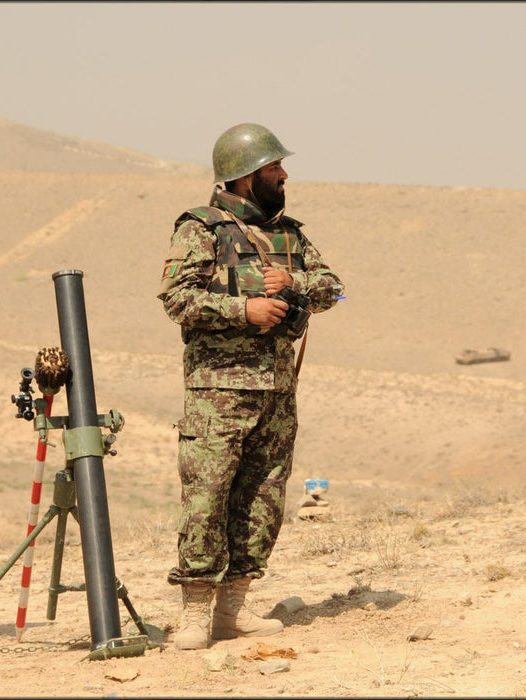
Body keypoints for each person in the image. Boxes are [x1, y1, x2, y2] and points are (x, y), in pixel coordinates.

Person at [157, 123, 344, 650]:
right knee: (207, 499)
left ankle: (233, 611)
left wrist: (295, 283)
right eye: (273, 168)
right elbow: (176, 299)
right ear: (241, 178)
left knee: (261, 500)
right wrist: (245, 308)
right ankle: (195, 612)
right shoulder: (201, 229)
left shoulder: (290, 234)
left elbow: (335, 289)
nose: (284, 176)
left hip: (278, 392)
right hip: (218, 393)